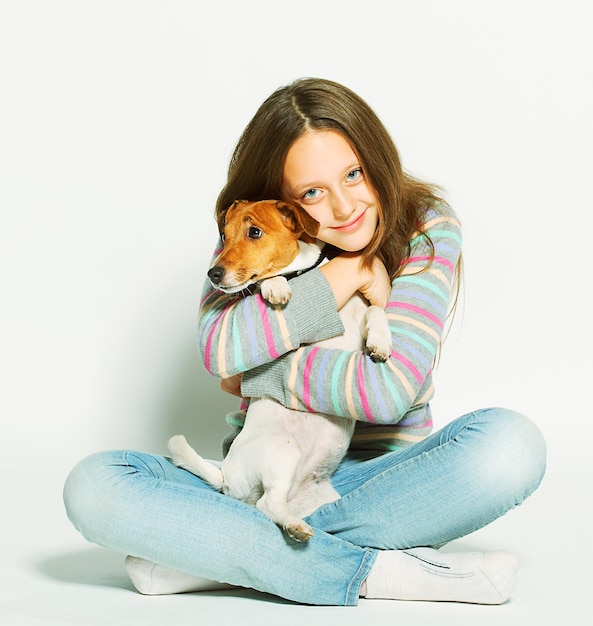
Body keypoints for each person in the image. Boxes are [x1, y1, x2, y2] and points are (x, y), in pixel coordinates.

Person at [63, 77, 546, 607]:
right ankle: (376, 573)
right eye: (313, 192)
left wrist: (253, 371)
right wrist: (351, 272)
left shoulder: (426, 226)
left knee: (511, 445)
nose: (343, 208)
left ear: (376, 160)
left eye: (354, 174)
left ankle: (222, 552)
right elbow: (218, 353)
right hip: (261, 468)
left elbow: (388, 392)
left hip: (385, 484)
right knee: (94, 486)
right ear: (284, 204)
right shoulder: (252, 236)